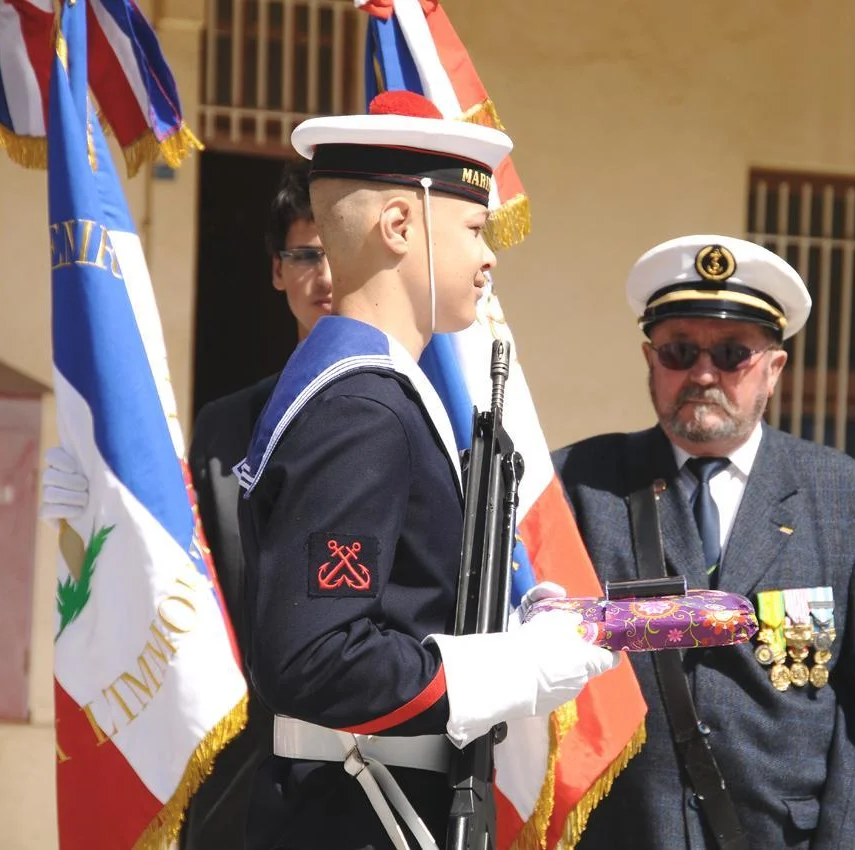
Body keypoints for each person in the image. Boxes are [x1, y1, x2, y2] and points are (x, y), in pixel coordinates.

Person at [231, 91, 616, 850]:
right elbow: (317, 657)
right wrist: (515, 668)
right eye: (474, 229)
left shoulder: (372, 394)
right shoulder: (362, 410)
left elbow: (406, 606)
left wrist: (516, 623)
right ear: (400, 227)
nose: (488, 256)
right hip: (357, 815)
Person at [553, 234, 855, 849]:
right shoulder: (578, 486)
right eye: (679, 351)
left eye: (731, 354)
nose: (702, 373)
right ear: (649, 359)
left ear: (774, 368)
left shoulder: (853, 503)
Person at [39, 162, 333, 849]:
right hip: (239, 784)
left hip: (365, 785)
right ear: (276, 271)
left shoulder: (418, 416)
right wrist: (99, 513)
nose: (325, 276)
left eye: (339, 254)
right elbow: (174, 574)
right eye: (306, 254)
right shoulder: (226, 428)